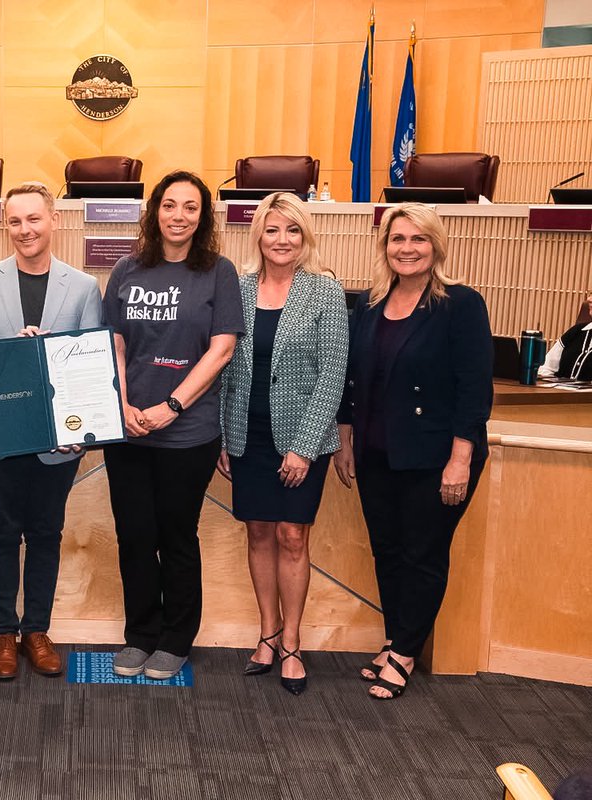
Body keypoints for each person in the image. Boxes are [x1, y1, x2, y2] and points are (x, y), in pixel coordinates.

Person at [333, 202, 493, 700]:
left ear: (435, 246)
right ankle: (395, 637)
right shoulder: (369, 304)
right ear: (385, 247)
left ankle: (405, 651)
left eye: (417, 239)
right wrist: (344, 439)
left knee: (423, 553)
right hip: (377, 451)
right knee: (388, 550)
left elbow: (474, 389)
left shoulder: (460, 305)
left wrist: (461, 458)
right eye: (397, 239)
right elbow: (352, 379)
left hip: (436, 456)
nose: (407, 248)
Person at [0, 182, 102, 681]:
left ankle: (37, 630)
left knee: (45, 535)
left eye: (33, 219)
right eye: (15, 221)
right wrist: (9, 356)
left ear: (53, 221)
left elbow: (91, 367)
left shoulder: (82, 287)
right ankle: (2, 632)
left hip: (57, 440)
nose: (25, 230)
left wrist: (82, 431)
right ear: (5, 225)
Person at [101, 170, 244, 680]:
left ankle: (177, 638)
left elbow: (221, 349)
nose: (178, 215)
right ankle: (140, 634)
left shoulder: (218, 272)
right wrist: (120, 405)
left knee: (176, 535)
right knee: (134, 534)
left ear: (203, 216)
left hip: (187, 433)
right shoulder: (126, 269)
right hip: (129, 430)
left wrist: (173, 406)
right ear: (154, 211)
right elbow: (114, 341)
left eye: (190, 207)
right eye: (169, 205)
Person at [217, 192, 348, 694]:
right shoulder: (239, 289)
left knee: (293, 537)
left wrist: (305, 446)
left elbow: (332, 376)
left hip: (300, 437)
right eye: (272, 230)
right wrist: (225, 439)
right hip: (246, 435)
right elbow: (226, 367)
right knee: (257, 535)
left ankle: (292, 642)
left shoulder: (325, 292)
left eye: (292, 230)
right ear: (259, 236)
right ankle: (266, 633)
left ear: (305, 236)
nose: (282, 240)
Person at [538, 289, 592, 381]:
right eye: (591, 294)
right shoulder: (576, 331)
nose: (589, 299)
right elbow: (546, 368)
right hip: (559, 393)